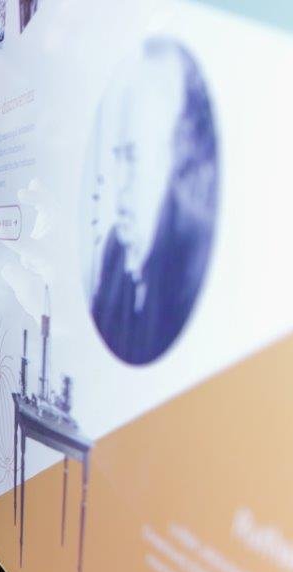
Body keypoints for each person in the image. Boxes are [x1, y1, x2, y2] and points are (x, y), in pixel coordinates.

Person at [88, 37, 217, 366]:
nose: (118, 183)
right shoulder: (116, 251)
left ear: (173, 162)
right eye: (118, 157)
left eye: (132, 158)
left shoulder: (193, 267)